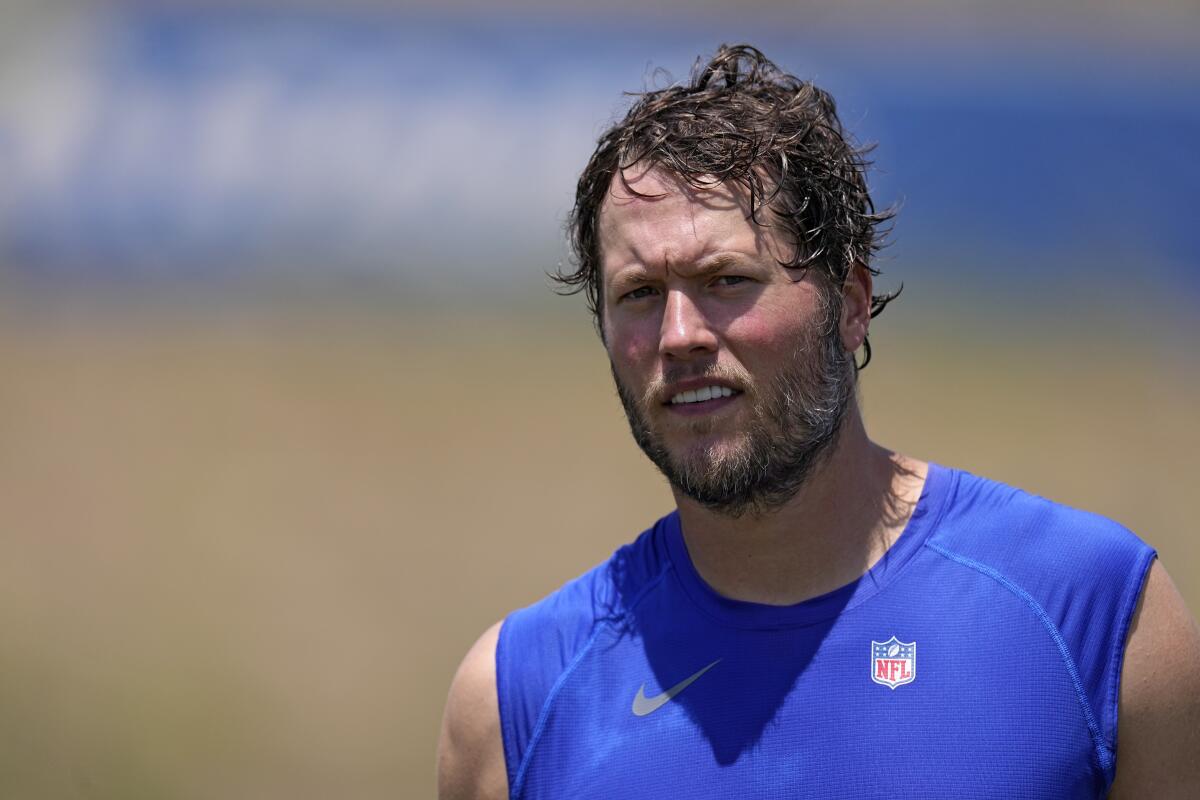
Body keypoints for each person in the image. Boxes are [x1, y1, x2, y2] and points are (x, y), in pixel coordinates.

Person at [437, 44, 1200, 799]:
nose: (679, 336)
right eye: (639, 293)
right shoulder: (517, 703)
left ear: (851, 305)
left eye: (726, 280)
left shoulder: (1092, 617)